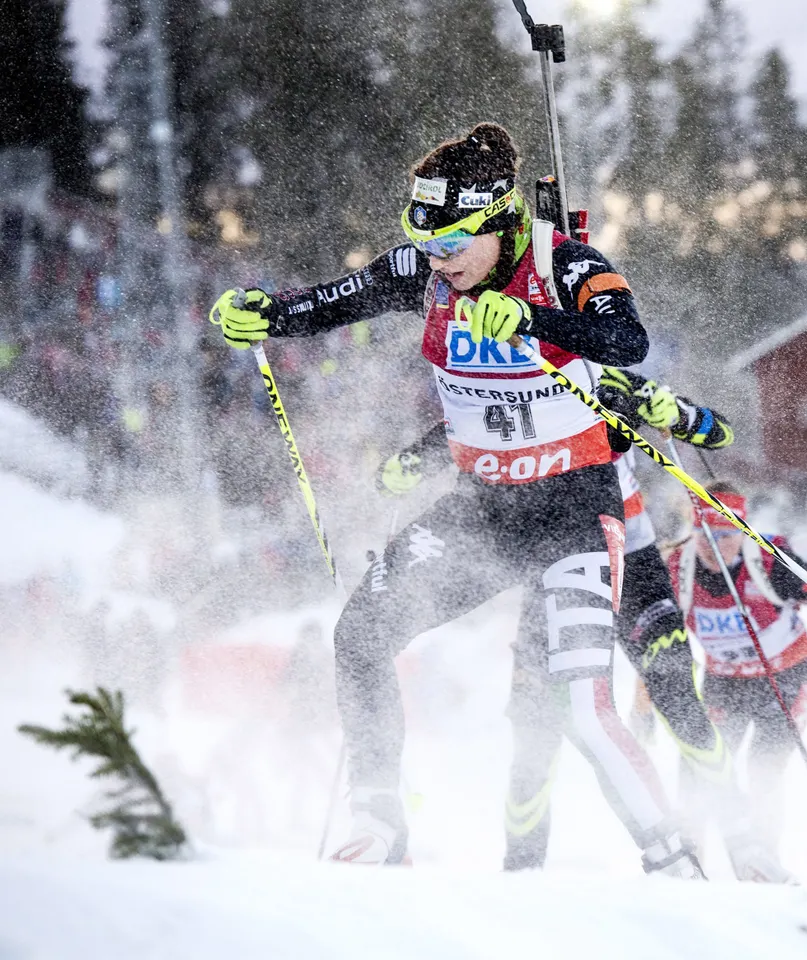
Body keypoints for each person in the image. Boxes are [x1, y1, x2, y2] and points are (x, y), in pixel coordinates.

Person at [209, 122, 700, 876]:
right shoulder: (426, 269)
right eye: (428, 245)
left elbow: (628, 341)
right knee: (360, 637)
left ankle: (675, 858)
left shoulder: (563, 264)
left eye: (453, 245)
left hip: (572, 507)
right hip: (484, 513)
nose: (439, 261)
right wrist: (265, 316)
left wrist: (534, 321)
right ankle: (379, 827)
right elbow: (337, 300)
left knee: (576, 708)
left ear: (499, 223)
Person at [377, 367, 787, 880]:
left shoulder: (601, 375)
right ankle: (523, 869)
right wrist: (413, 462)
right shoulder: (512, 382)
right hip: (558, 571)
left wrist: (677, 414)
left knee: (679, 701)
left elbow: (716, 432)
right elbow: (463, 427)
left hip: (633, 566)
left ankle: (745, 847)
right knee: (535, 727)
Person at [666, 480, 807, 861]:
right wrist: (643, 707)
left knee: (763, 769)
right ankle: (691, 863)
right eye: (702, 532)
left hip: (785, 682)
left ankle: (762, 861)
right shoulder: (677, 568)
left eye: (723, 534)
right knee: (699, 766)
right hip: (724, 683)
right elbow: (657, 643)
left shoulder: (773, 564)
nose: (712, 545)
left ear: (741, 529)